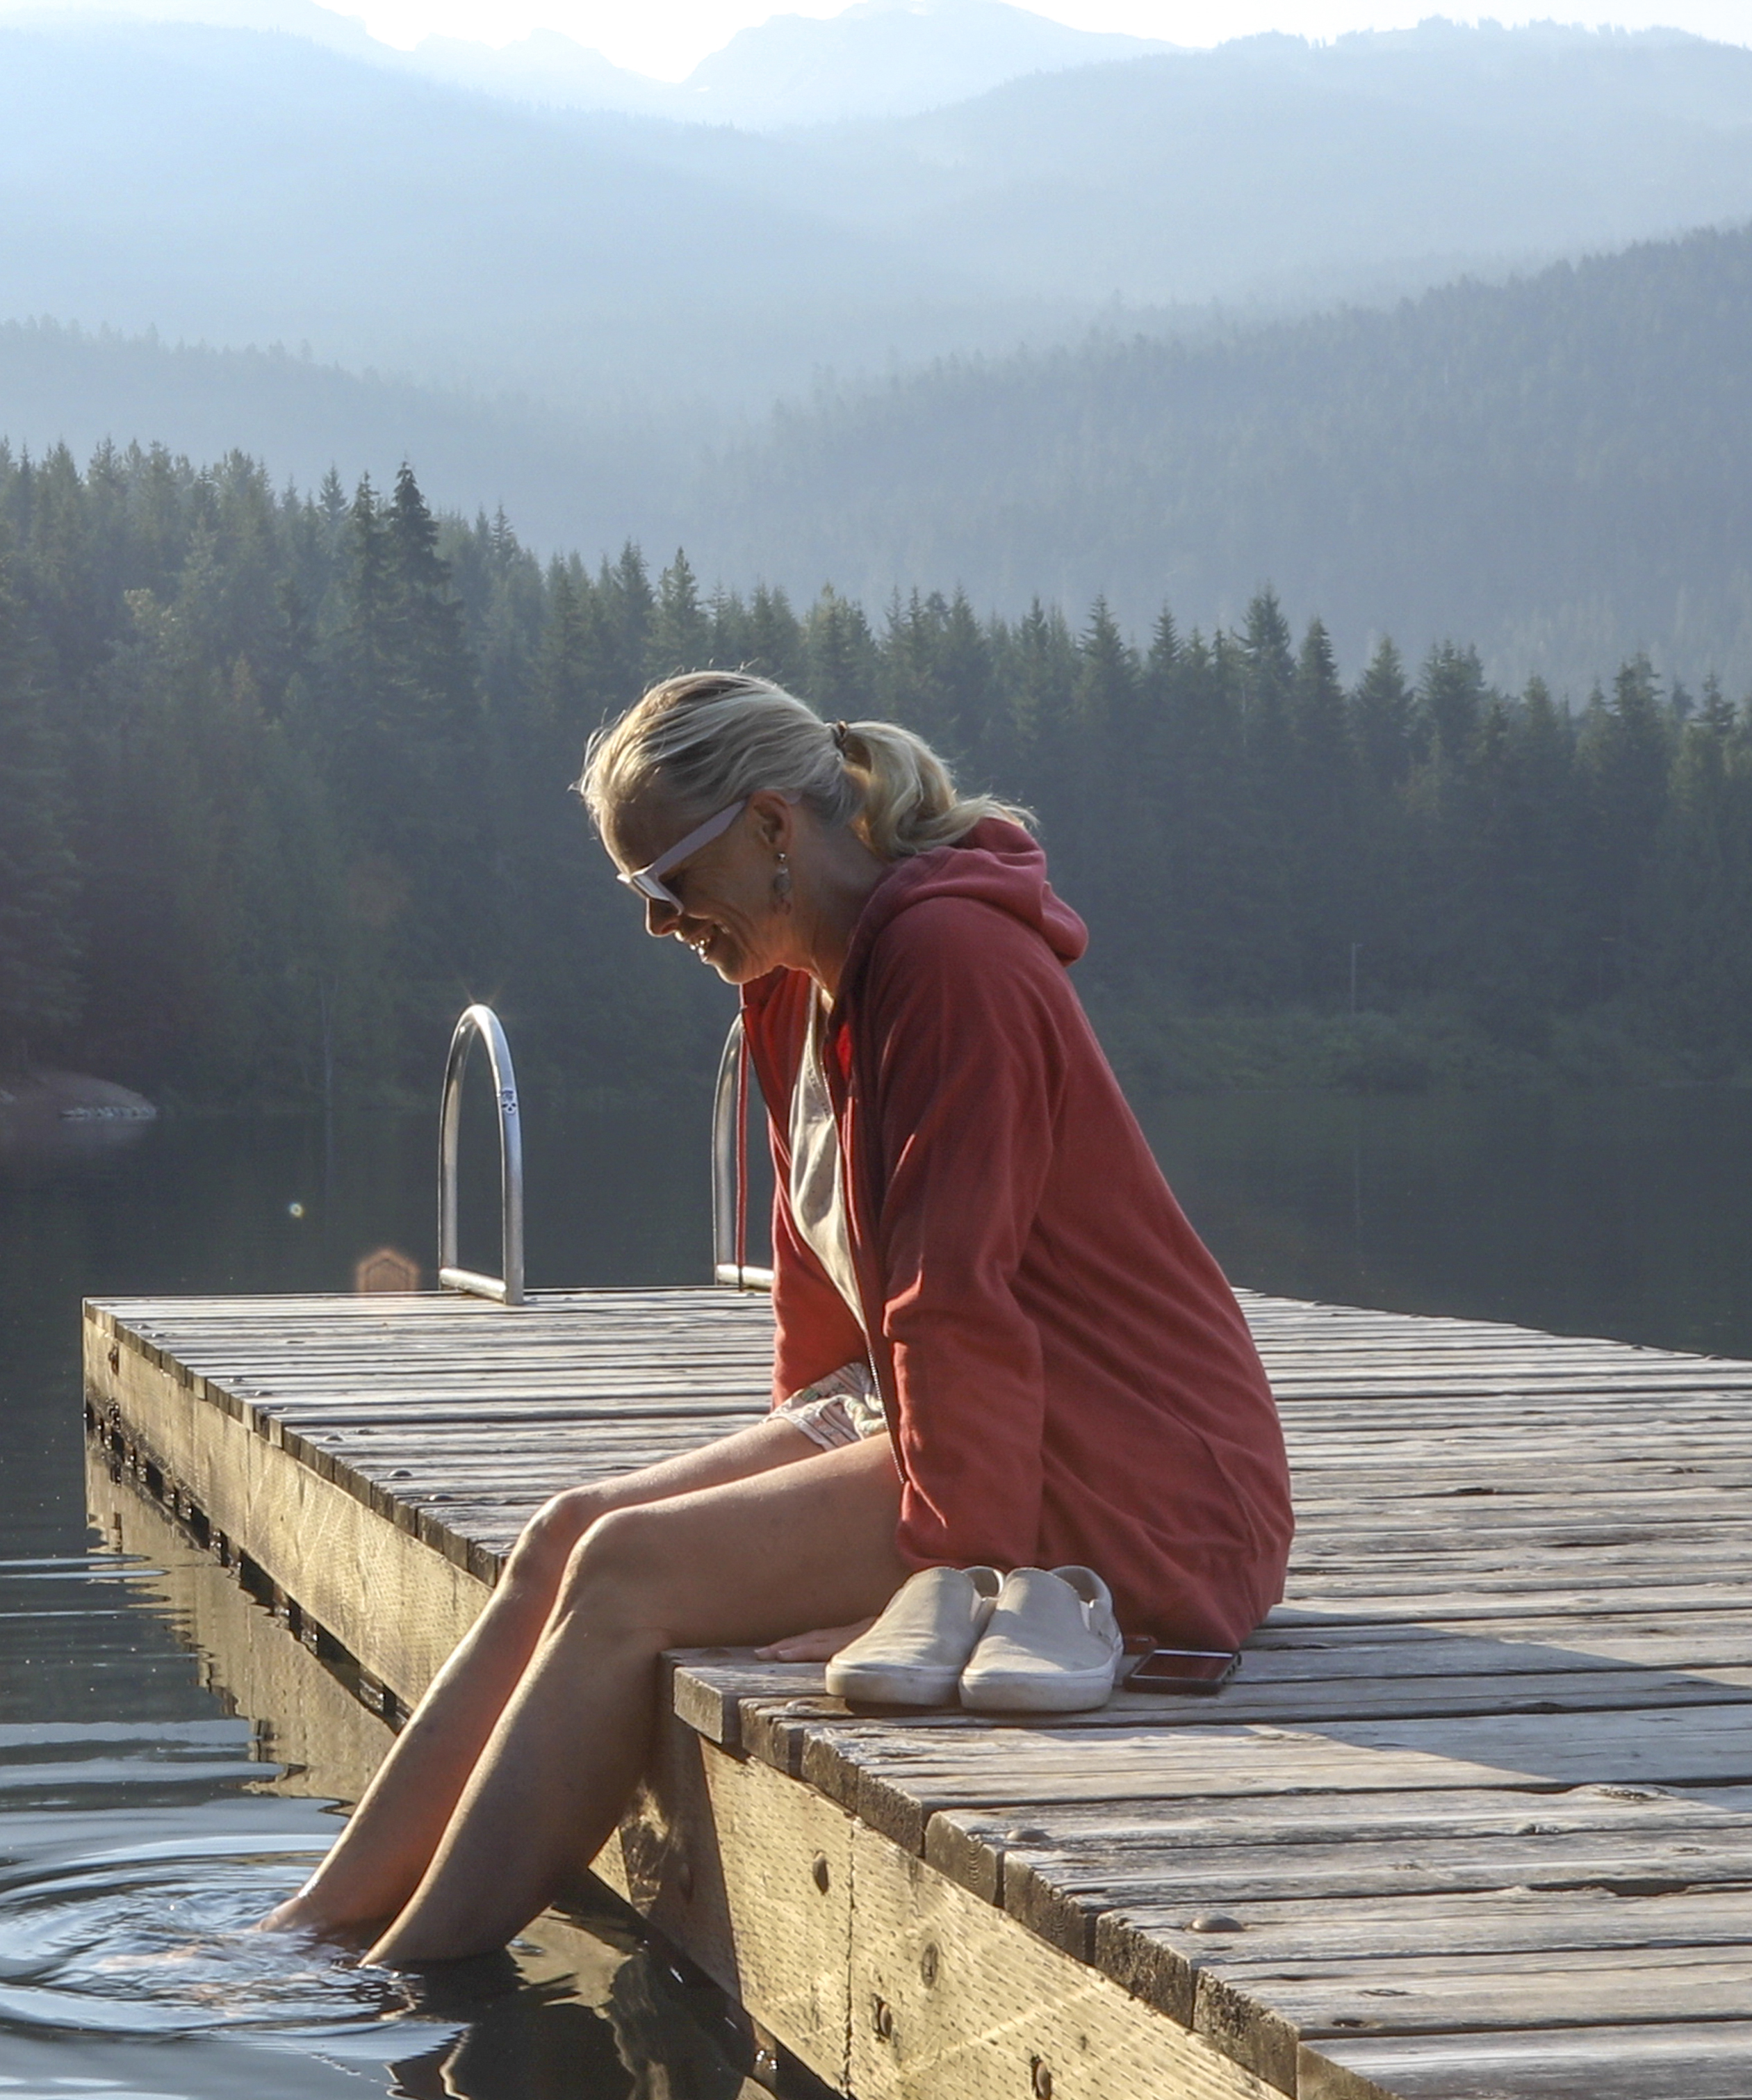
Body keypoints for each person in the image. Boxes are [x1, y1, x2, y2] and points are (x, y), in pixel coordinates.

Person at [259, 669, 1291, 1965]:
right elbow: (829, 1290)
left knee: (627, 1576)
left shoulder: (950, 960)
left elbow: (951, 1291)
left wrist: (920, 1566)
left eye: (666, 882)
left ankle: (404, 1980)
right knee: (569, 1532)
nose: (656, 923)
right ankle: (308, 1928)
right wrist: (790, 1523)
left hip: (1128, 1464)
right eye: (636, 891)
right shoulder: (797, 978)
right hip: (976, 1414)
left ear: (770, 827)